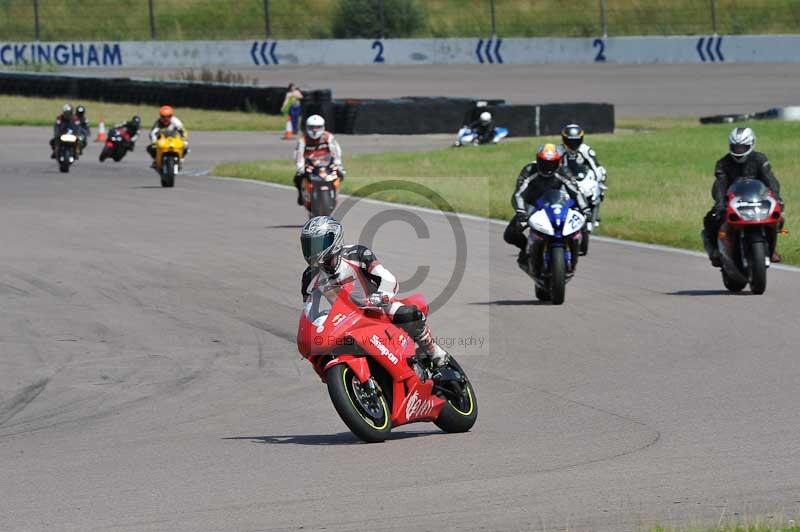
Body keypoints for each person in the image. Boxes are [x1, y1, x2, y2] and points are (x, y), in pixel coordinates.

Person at [300, 216, 448, 368]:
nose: (313, 251)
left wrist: (381, 296)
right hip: (346, 320)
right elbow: (308, 311)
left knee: (407, 313)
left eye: (317, 244)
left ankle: (434, 352)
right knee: (321, 351)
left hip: (377, 307)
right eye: (308, 245)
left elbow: (387, 278)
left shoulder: (356, 253)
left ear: (334, 239)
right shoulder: (309, 277)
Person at [703, 127, 784, 266]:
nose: (738, 150)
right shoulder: (723, 163)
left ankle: (771, 248)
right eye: (735, 147)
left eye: (742, 147)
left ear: (751, 144)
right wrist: (720, 204)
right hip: (733, 201)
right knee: (711, 219)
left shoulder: (759, 159)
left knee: (780, 218)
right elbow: (720, 185)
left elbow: (770, 180)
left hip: (756, 200)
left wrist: (776, 198)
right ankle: (715, 250)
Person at [503, 143, 589, 266]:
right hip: (532, 206)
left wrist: (586, 209)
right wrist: (521, 211)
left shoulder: (563, 171)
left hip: (557, 203)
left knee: (578, 221)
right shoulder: (529, 170)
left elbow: (577, 192)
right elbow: (518, 194)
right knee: (510, 234)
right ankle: (527, 249)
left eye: (552, 163)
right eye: (544, 162)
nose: (548, 167)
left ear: (558, 162)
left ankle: (572, 252)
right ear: (538, 160)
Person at [293, 114, 344, 205]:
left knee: (340, 174)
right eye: (312, 127)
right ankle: (301, 195)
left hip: (326, 162)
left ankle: (335, 194)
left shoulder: (328, 137)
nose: (314, 130)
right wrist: (300, 167)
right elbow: (299, 155)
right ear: (307, 127)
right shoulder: (303, 139)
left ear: (322, 127)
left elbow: (335, 151)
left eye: (317, 127)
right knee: (297, 177)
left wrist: (338, 164)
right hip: (309, 164)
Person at [560, 123, 607, 211]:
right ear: (564, 140)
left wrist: (600, 184)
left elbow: (596, 167)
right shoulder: (559, 151)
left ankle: (594, 214)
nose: (573, 145)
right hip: (567, 181)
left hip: (583, 179)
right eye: (570, 142)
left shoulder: (585, 150)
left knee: (601, 174)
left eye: (576, 141)